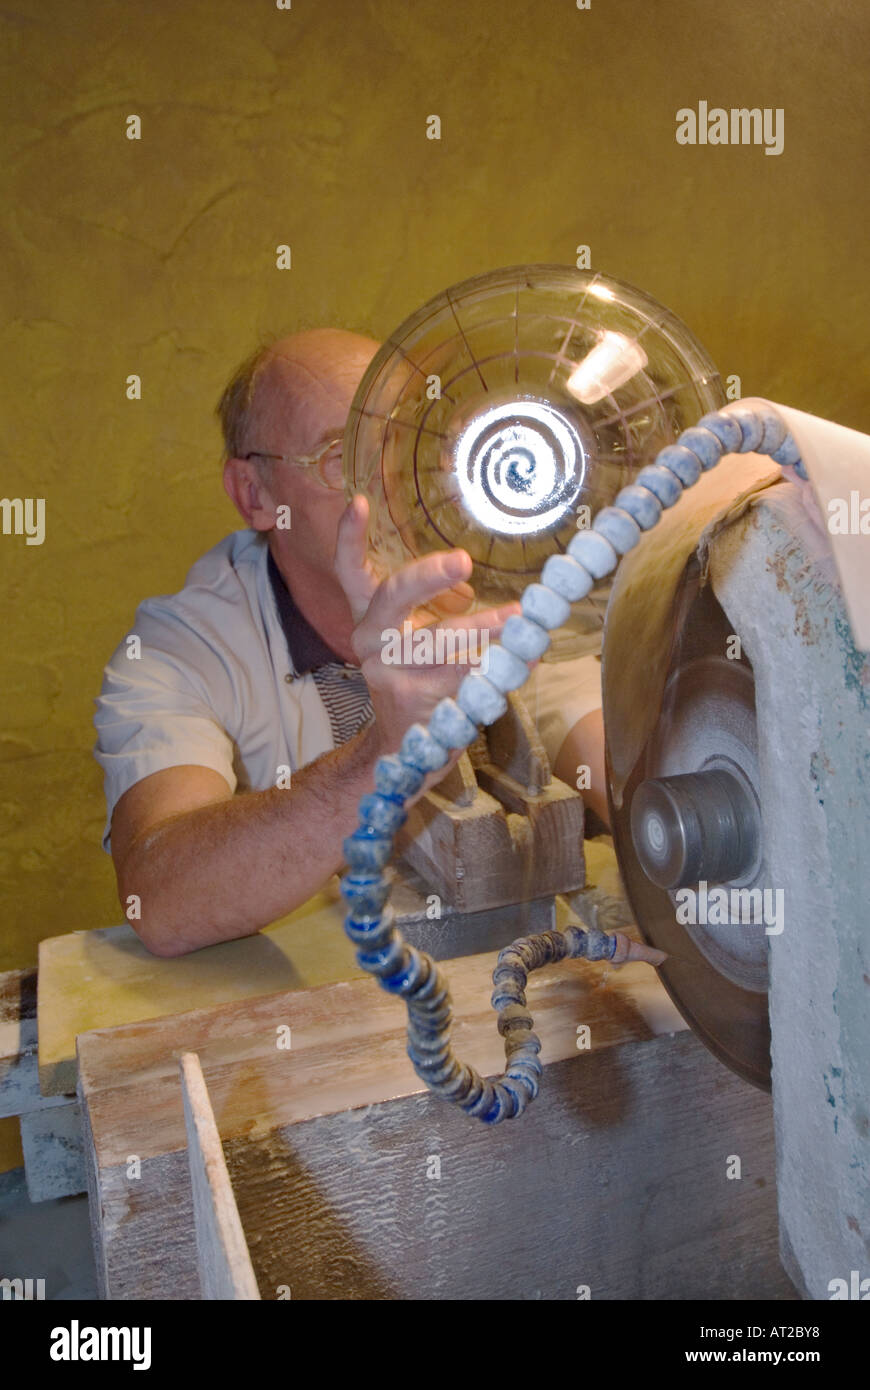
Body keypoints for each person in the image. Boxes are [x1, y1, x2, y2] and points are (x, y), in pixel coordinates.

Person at [93, 329, 607, 956]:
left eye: (402, 441)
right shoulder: (184, 649)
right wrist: (382, 757)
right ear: (255, 495)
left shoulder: (495, 591)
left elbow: (624, 772)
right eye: (342, 454)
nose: (390, 482)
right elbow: (162, 899)